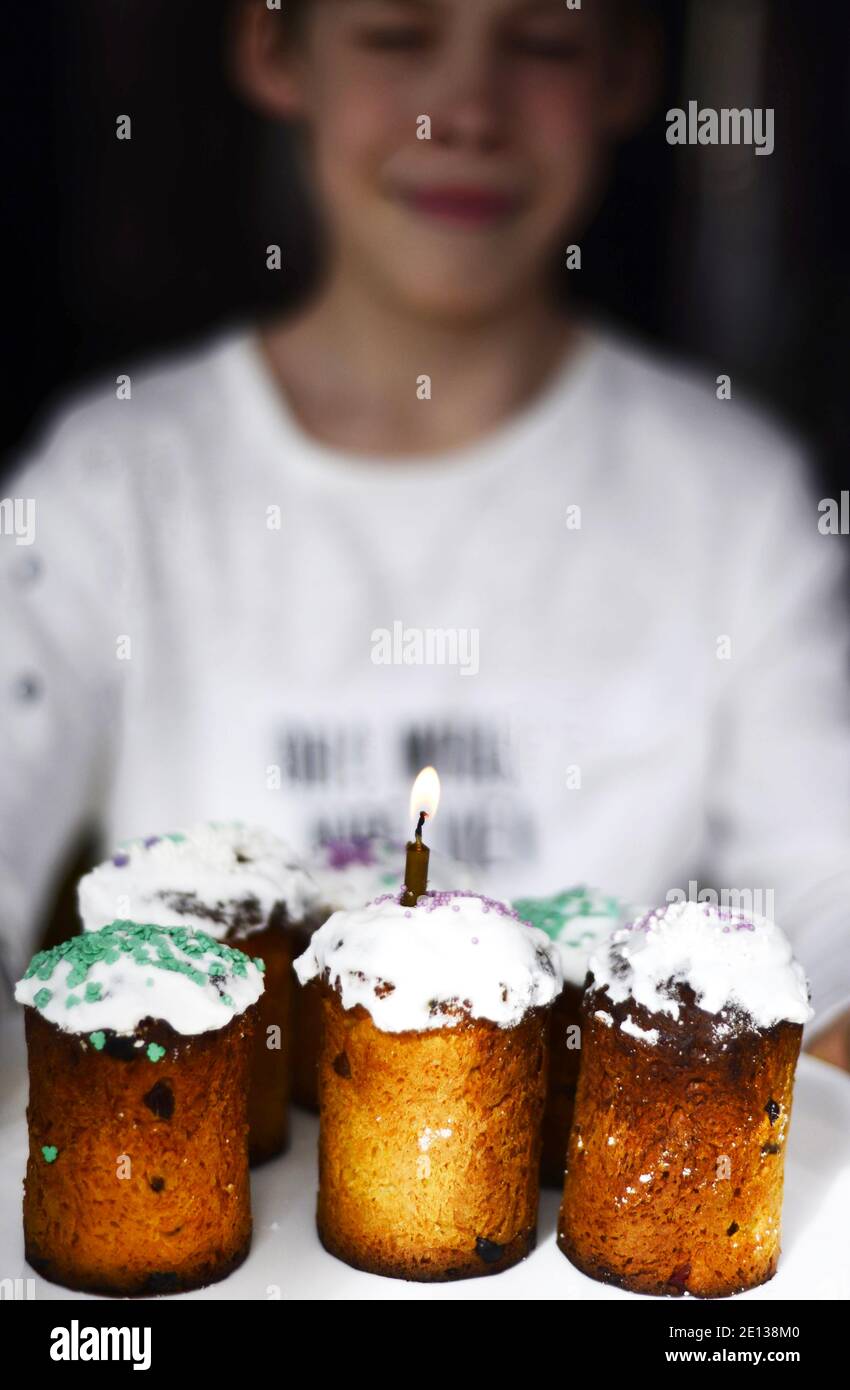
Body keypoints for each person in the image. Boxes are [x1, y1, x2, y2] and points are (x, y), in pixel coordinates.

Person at [1, 0, 849, 1068]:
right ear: (273, 45)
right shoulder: (111, 480)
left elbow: (828, 889)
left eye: (542, 41)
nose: (464, 111)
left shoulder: (734, 498)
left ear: (625, 70)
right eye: (397, 34)